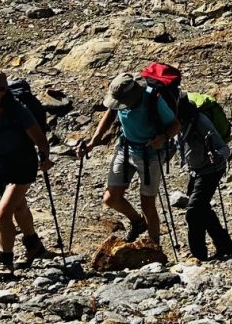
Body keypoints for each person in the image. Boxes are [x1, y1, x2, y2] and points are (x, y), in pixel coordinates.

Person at [76, 71, 179, 245]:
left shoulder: (153, 99)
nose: (121, 106)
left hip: (150, 155)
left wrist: (163, 138)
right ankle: (138, 222)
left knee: (147, 205)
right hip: (125, 148)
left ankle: (155, 248)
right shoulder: (120, 99)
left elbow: (175, 126)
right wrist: (93, 141)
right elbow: (110, 114)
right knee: (110, 198)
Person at [0, 69, 52, 273]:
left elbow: (40, 139)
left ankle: (6, 262)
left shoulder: (18, 110)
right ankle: (35, 246)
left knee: (2, 215)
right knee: (19, 207)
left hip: (22, 165)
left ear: (3, 91)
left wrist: (45, 158)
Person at [177, 95, 232, 261]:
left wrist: (217, 155)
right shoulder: (179, 123)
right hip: (196, 171)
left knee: (193, 212)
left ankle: (198, 255)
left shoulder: (200, 121)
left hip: (211, 170)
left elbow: (224, 148)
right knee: (202, 208)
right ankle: (225, 245)